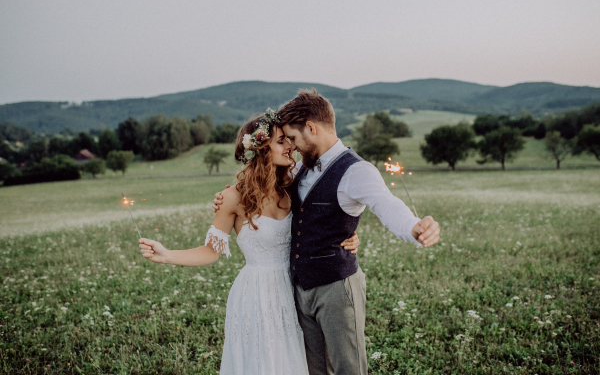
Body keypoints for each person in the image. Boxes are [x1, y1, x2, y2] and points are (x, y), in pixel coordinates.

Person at [213, 89, 441, 375]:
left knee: (348, 368)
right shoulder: (300, 170)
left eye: (293, 139)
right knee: (313, 370)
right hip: (297, 289)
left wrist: (413, 227)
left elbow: (386, 204)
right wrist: (227, 198)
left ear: (311, 128)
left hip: (337, 287)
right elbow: (271, 191)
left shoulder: (357, 171)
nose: (292, 148)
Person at [138, 108, 361, 375]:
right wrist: (167, 255)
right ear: (260, 148)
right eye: (281, 141)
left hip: (293, 291)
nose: (290, 145)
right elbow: (211, 252)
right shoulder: (233, 197)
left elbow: (319, 223)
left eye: (288, 140)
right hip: (255, 294)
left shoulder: (293, 187)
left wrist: (348, 236)